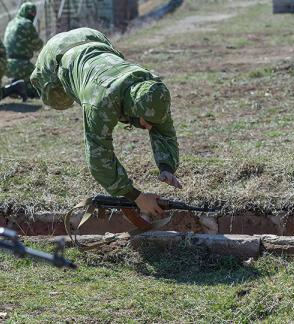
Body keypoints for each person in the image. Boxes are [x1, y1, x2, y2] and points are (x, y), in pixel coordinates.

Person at [31, 28, 182, 218]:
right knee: (59, 101)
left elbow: (165, 130)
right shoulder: (100, 102)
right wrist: (136, 197)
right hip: (55, 54)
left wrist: (166, 167)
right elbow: (98, 157)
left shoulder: (152, 90)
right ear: (131, 109)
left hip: (93, 38)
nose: (150, 127)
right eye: (148, 122)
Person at [3, 2, 43, 98]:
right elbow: (38, 45)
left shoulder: (11, 23)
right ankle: (22, 89)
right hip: (22, 66)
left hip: (6, 65)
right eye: (30, 13)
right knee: (40, 85)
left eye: (33, 14)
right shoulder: (27, 24)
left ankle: (15, 86)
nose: (31, 16)